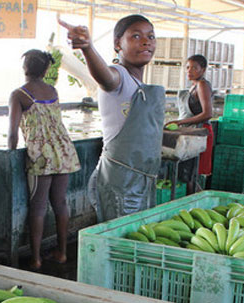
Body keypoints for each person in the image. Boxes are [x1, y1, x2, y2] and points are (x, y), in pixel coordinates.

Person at [60, 15, 165, 222]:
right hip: (119, 180)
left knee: (135, 236)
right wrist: (87, 48)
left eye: (150, 36)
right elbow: (105, 78)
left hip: (142, 179)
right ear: (118, 44)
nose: (146, 41)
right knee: (120, 240)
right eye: (136, 36)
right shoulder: (119, 76)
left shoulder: (138, 85)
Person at [8, 49, 81, 270]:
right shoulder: (53, 90)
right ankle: (62, 253)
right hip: (64, 150)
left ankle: (36, 258)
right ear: (46, 70)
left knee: (38, 206)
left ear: (24, 68)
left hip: (40, 154)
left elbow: (12, 132)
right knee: (60, 203)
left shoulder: (19, 94)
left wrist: (10, 154)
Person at [166, 54, 215, 193]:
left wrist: (181, 122)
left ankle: (197, 202)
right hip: (192, 132)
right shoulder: (193, 87)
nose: (189, 70)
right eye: (187, 67)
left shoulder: (202, 85)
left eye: (194, 68)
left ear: (203, 69)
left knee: (193, 174)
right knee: (188, 174)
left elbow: (207, 113)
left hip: (200, 132)